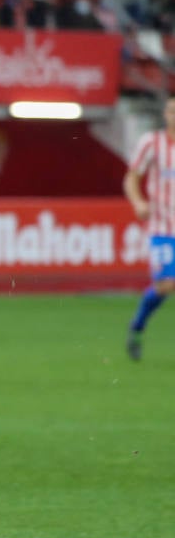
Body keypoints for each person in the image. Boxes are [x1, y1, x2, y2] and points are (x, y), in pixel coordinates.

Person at [122, 96, 175, 360]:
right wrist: (138, 201)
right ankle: (138, 326)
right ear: (165, 114)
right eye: (171, 111)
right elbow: (132, 177)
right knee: (166, 284)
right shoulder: (152, 143)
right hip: (162, 228)